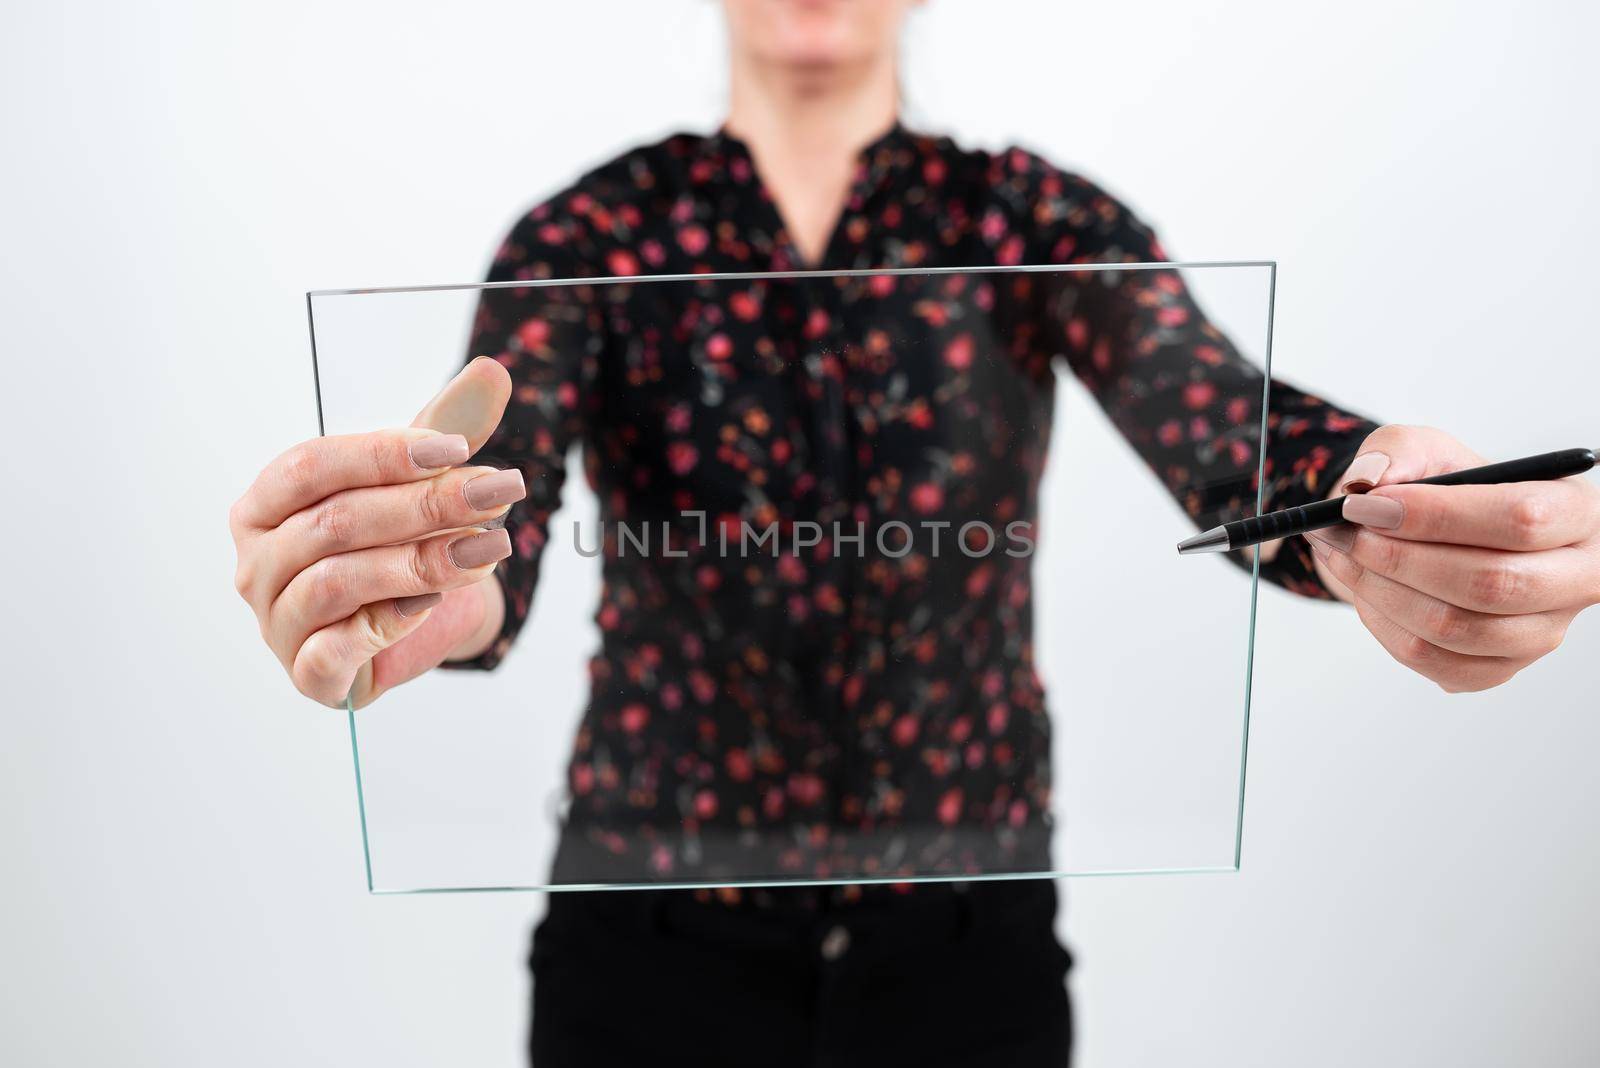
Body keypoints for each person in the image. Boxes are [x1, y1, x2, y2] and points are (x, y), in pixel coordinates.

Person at [229, 2, 1600, 1064]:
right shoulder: (586, 236)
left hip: (967, 966)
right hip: (643, 963)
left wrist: (1376, 500)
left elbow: (1225, 436)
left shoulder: (1029, 220)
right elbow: (492, 538)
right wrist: (402, 585)